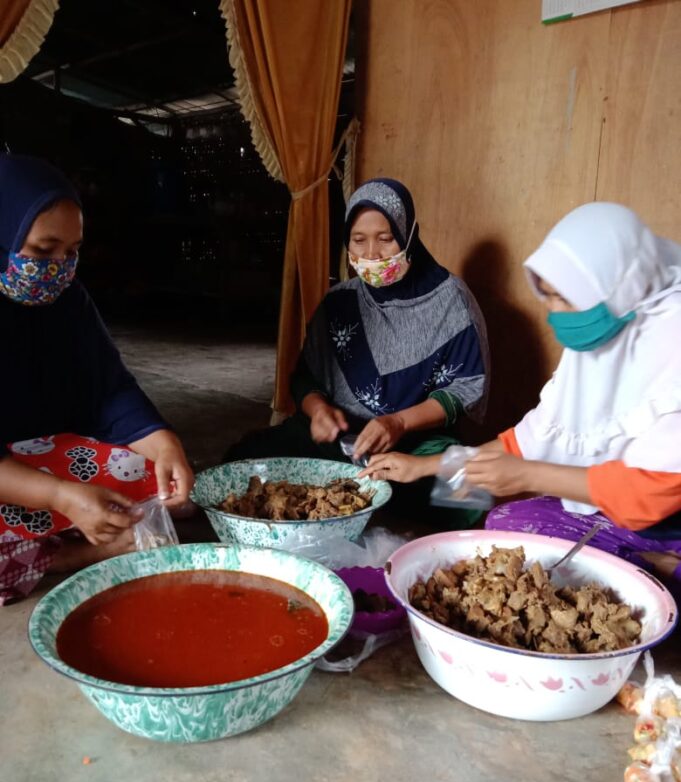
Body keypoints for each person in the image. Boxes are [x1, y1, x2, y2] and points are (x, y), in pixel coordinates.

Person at [362, 202, 681, 597]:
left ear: (615, 284)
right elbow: (529, 439)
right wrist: (422, 466)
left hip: (662, 516)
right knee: (504, 522)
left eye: (565, 298)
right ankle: (644, 566)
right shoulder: (606, 328)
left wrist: (527, 475)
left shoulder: (672, 343)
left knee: (580, 579)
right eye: (548, 297)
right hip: (613, 510)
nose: (555, 315)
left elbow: (648, 495)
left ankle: (660, 567)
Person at [226, 178, 489, 519]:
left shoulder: (451, 300)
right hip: (339, 440)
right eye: (358, 241)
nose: (371, 255)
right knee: (245, 459)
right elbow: (306, 377)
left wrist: (398, 422)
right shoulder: (340, 303)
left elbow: (462, 390)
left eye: (385, 239)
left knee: (467, 489)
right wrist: (319, 409)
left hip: (415, 441)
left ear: (409, 235)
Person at [0, 154, 194, 604]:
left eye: (72, 252)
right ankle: (70, 555)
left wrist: (166, 444)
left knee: (152, 474)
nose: (59, 267)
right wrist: (61, 496)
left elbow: (109, 389)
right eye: (43, 251)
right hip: (15, 477)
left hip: (40, 455)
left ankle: (57, 536)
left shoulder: (68, 299)